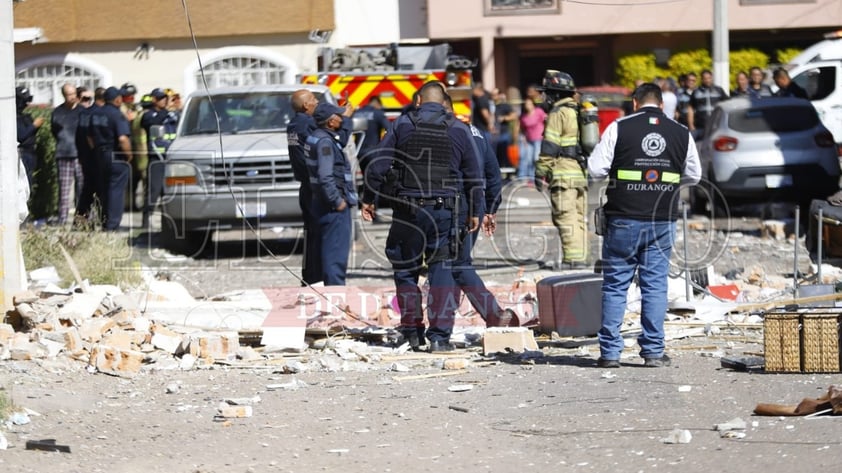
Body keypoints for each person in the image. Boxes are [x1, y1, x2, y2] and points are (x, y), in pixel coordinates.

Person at [361, 81, 483, 352]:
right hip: (445, 211)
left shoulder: (401, 125)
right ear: (444, 103)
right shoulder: (460, 129)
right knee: (442, 269)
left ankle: (412, 331)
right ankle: (439, 338)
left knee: (405, 269)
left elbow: (378, 164)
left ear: (417, 101)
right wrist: (475, 211)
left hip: (407, 210)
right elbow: (475, 175)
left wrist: (368, 199)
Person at [587, 82, 702, 368]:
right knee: (655, 286)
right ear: (662, 105)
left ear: (635, 104)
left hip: (623, 217)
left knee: (615, 286)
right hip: (662, 218)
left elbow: (595, 168)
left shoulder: (619, 127)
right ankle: (652, 351)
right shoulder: (681, 132)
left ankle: (610, 354)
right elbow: (695, 176)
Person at [444, 95, 517, 327]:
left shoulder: (448, 132)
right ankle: (446, 317)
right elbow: (493, 173)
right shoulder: (474, 131)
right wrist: (490, 209)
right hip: (475, 204)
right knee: (454, 262)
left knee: (457, 264)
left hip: (456, 205)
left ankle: (493, 313)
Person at [534, 70, 589, 269]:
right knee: (578, 218)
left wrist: (540, 173)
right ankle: (581, 257)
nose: (543, 97)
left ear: (555, 94)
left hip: (563, 173)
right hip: (579, 174)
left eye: (546, 93)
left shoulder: (558, 113)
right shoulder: (577, 111)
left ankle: (573, 260)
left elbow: (550, 146)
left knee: (566, 217)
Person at [305, 103, 358, 286]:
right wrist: (338, 201)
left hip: (320, 203)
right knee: (335, 256)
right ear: (330, 122)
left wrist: (348, 118)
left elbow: (341, 138)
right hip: (332, 207)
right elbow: (325, 175)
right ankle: (336, 299)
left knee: (326, 252)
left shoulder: (316, 137)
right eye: (339, 116)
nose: (341, 118)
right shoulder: (325, 143)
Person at [287, 89, 322, 285]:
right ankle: (318, 278)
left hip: (306, 186)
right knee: (320, 235)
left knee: (311, 234)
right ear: (305, 105)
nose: (316, 102)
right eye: (313, 99)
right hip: (314, 186)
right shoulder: (308, 123)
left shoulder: (294, 124)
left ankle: (309, 277)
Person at [88, 86, 132, 231]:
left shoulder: (94, 114)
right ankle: (112, 225)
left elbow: (89, 137)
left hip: (100, 154)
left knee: (104, 188)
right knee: (116, 189)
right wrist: (129, 155)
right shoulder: (117, 115)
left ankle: (104, 220)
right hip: (116, 155)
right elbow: (123, 138)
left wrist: (97, 150)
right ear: (117, 99)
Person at [140, 88, 179, 228]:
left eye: (165, 97)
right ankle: (145, 221)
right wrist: (165, 111)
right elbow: (154, 122)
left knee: (169, 192)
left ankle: (168, 222)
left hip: (171, 158)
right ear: (154, 100)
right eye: (161, 98)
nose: (164, 100)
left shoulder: (173, 114)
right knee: (154, 191)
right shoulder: (148, 115)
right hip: (156, 158)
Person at [50, 83, 83, 224]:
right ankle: (62, 219)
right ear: (64, 95)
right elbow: (55, 131)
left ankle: (82, 219)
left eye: (74, 93)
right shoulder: (57, 112)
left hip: (81, 155)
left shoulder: (82, 111)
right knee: (64, 190)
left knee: (82, 189)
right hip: (64, 154)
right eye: (69, 94)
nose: (73, 97)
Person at [75, 87, 103, 226]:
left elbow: (78, 137)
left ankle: (81, 220)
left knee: (87, 190)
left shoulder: (84, 114)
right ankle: (97, 220)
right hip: (95, 158)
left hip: (86, 157)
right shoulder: (98, 114)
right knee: (97, 190)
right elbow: (89, 137)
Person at [16, 85, 44, 188]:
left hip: (30, 153)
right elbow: (20, 136)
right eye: (24, 101)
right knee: (23, 185)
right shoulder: (13, 117)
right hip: (22, 154)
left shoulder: (24, 117)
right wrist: (34, 126)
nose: (26, 104)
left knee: (28, 184)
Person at [353, 95, 389, 171]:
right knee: (374, 177)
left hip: (359, 150)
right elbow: (389, 129)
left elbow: (355, 131)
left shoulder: (357, 113)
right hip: (373, 150)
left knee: (365, 174)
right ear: (377, 104)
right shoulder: (377, 113)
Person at [688, 69, 728, 138]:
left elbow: (727, 105)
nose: (707, 80)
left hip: (717, 126)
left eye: (709, 78)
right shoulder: (696, 92)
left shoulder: (719, 90)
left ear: (712, 78)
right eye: (705, 78)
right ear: (702, 79)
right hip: (700, 126)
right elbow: (690, 108)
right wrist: (691, 125)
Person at [518, 97, 545, 183]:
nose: (527, 106)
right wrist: (523, 138)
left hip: (538, 139)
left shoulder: (539, 112)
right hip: (529, 140)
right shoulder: (524, 116)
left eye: (529, 104)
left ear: (533, 104)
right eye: (526, 104)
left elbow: (546, 120)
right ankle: (528, 178)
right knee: (528, 159)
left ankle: (536, 178)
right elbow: (522, 128)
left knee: (536, 159)